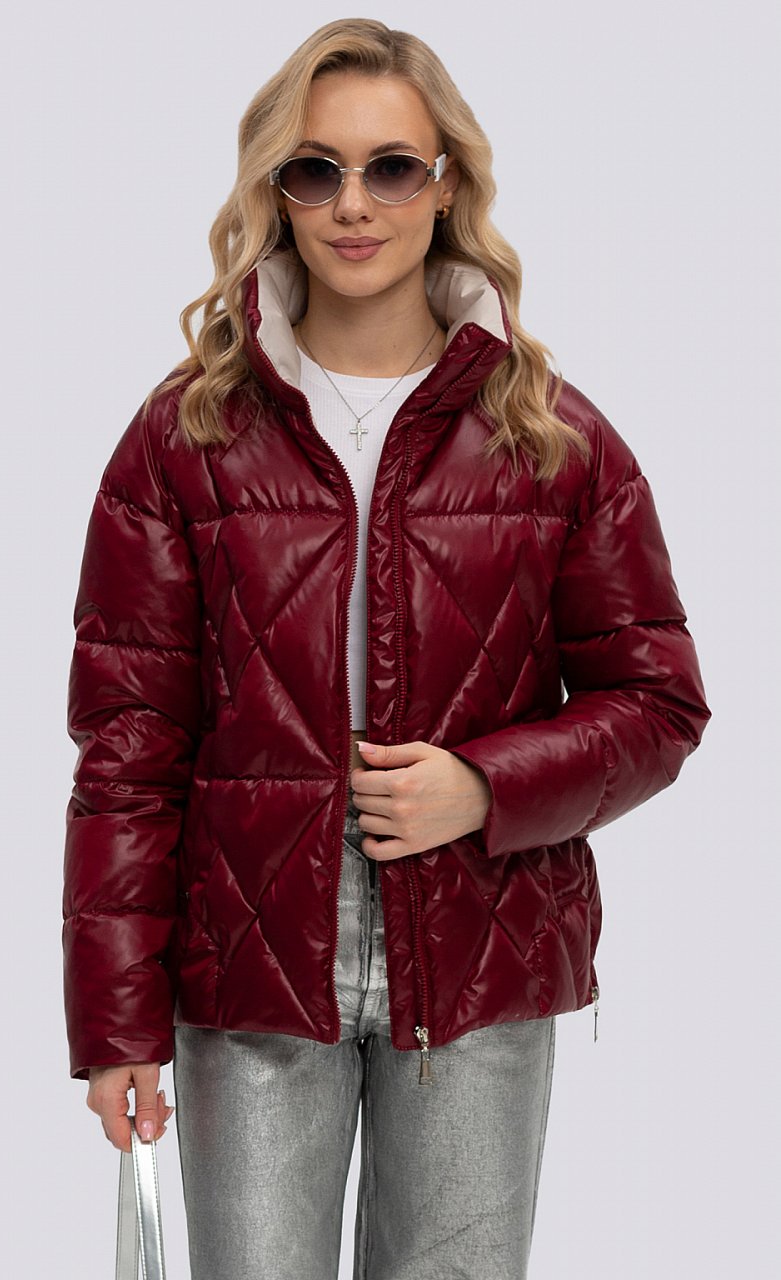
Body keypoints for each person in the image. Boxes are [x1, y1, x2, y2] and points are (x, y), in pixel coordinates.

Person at [63, 18, 711, 1280]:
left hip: (476, 962)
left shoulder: (552, 437)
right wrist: (115, 1018)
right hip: (247, 971)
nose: (353, 204)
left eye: (391, 167)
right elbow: (128, 743)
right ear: (277, 191)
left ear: (446, 183)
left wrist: (484, 785)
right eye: (316, 170)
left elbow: (657, 701)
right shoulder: (184, 438)